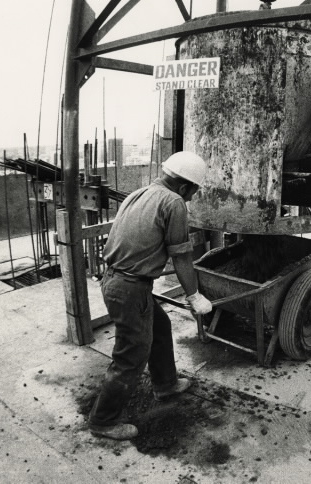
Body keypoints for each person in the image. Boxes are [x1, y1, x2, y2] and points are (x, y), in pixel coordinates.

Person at [88, 151, 214, 440]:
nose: (193, 197)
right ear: (184, 187)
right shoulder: (174, 202)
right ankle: (103, 420)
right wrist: (194, 295)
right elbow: (181, 257)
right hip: (130, 287)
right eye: (194, 191)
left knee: (160, 326)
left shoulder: (140, 193)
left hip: (118, 281)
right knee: (131, 356)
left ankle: (165, 383)